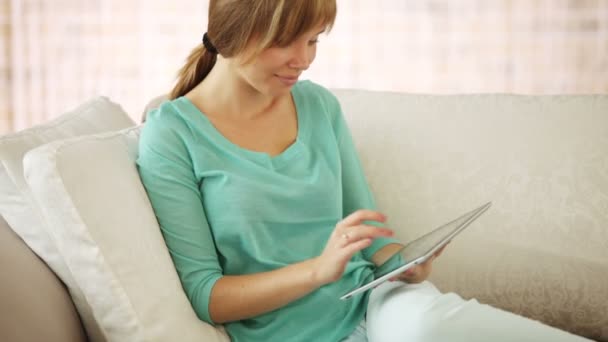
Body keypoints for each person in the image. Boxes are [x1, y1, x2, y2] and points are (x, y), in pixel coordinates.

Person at [136, 1, 591, 341]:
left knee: (427, 327)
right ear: (235, 33)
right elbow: (206, 295)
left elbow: (365, 228)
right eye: (287, 42)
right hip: (288, 333)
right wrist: (317, 271)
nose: (305, 59)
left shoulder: (318, 106)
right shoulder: (172, 135)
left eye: (313, 39)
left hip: (377, 306)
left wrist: (403, 265)